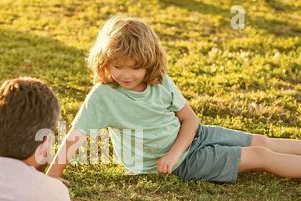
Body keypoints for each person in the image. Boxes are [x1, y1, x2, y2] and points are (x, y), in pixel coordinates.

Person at [47, 15, 301, 183]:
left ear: (149, 63)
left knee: (264, 141)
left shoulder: (160, 81)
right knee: (260, 154)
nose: (126, 75)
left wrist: (174, 150)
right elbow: (75, 136)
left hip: (193, 137)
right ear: (104, 61)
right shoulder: (103, 96)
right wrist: (54, 174)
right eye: (118, 66)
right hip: (183, 163)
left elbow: (190, 120)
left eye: (136, 68)